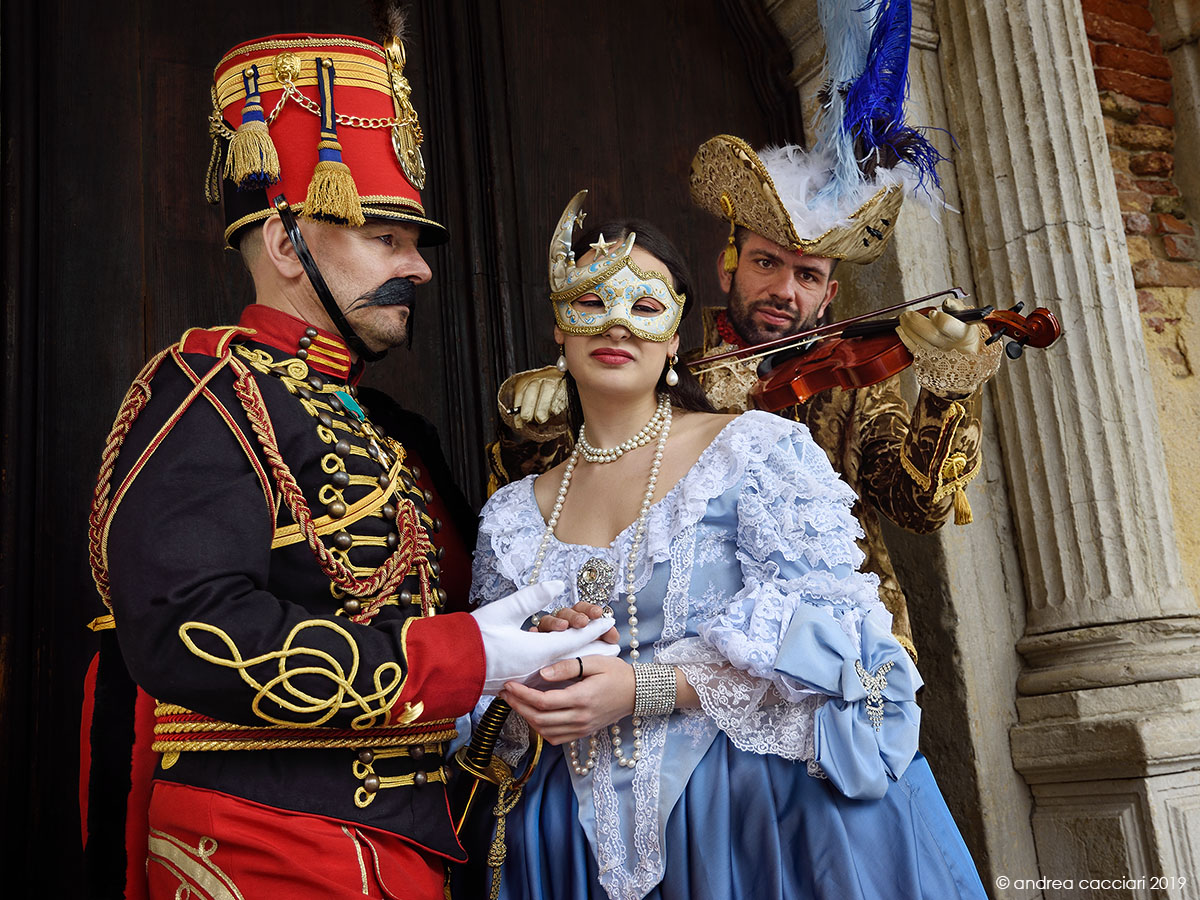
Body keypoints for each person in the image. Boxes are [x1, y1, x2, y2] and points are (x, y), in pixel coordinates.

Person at [81, 21, 614, 900]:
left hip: (407, 844)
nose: (419, 268)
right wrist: (457, 658)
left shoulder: (389, 427)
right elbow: (184, 629)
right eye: (386, 240)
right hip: (262, 847)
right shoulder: (206, 392)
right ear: (289, 247)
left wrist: (515, 647)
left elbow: (431, 618)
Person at [469, 192, 988, 899]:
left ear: (675, 334)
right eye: (590, 301)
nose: (616, 321)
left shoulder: (753, 447)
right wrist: (543, 661)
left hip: (756, 813)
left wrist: (947, 390)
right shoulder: (511, 514)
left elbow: (837, 627)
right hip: (570, 839)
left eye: (645, 307)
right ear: (558, 325)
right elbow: (487, 698)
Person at [488, 2, 1005, 664]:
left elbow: (919, 508)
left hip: (836, 660)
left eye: (808, 277)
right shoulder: (664, 362)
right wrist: (538, 420)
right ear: (727, 263)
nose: (786, 291)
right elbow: (563, 505)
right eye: (767, 263)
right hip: (676, 655)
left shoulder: (848, 386)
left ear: (831, 294)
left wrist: (947, 388)